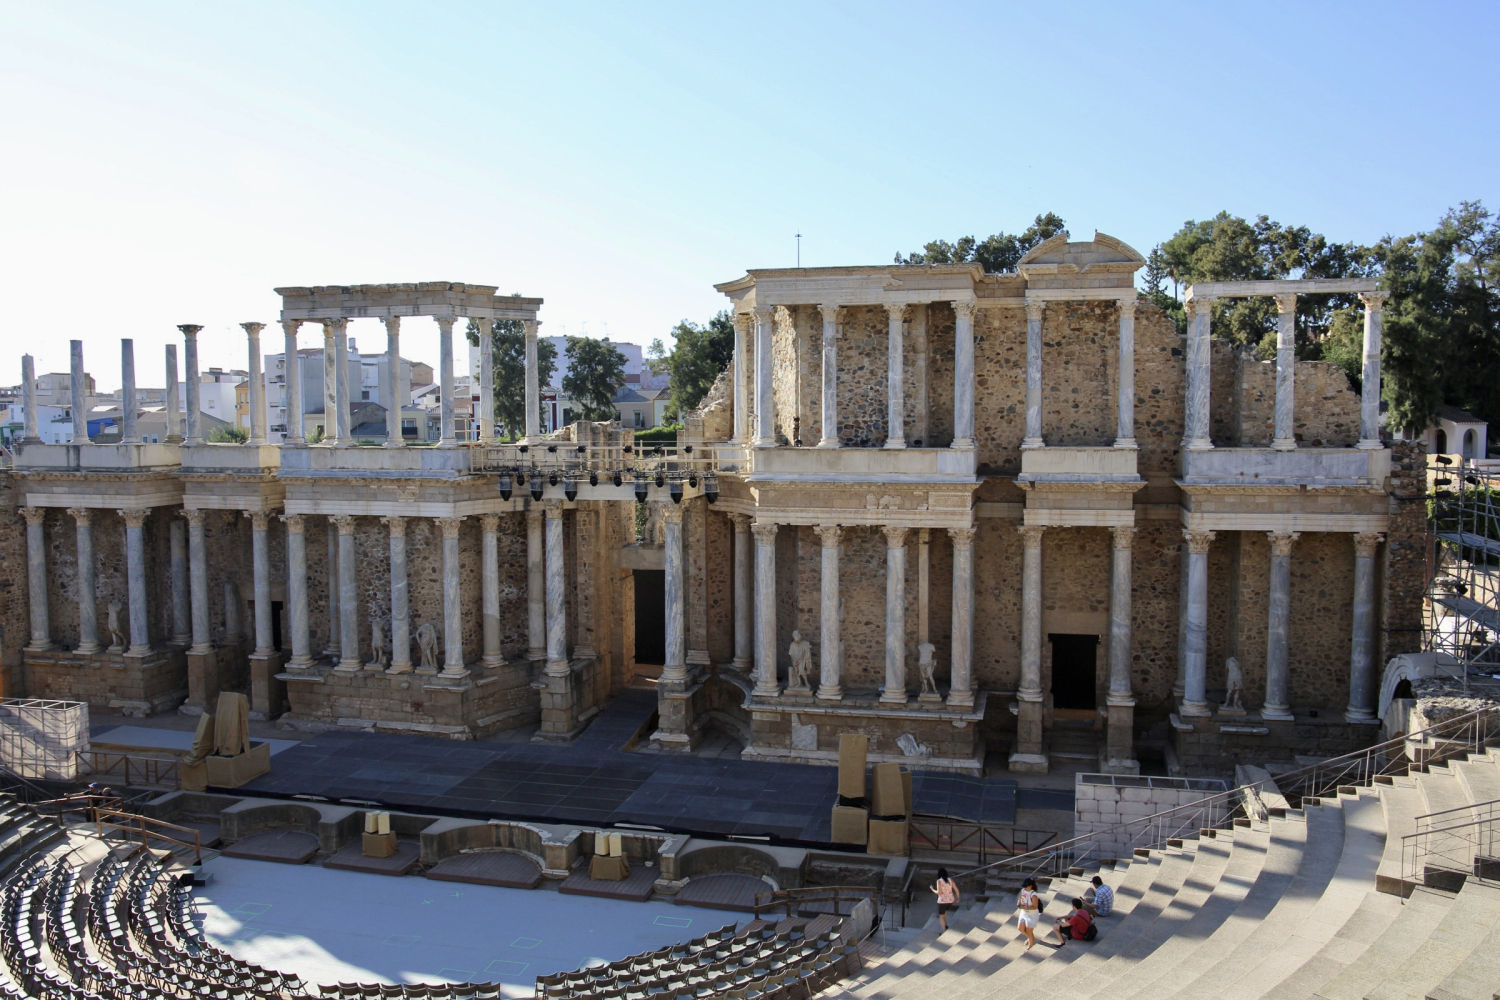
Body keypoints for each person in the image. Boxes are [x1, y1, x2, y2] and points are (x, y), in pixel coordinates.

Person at [1016, 877, 1042, 951]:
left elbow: (1035, 906)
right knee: (1020, 928)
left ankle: (1031, 944)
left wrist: (1024, 907)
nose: (1025, 887)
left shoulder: (1033, 895)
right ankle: (1031, 938)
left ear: (1030, 886)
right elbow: (1020, 898)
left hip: (1032, 915)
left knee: (1029, 930)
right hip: (1024, 913)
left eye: (1026, 886)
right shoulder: (1023, 890)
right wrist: (1018, 903)